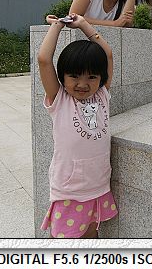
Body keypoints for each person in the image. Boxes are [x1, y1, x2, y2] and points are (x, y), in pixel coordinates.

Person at [38, 13, 117, 238]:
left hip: (98, 184)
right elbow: (44, 59)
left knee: (92, 235)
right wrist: (57, 25)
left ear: (100, 79)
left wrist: (83, 24)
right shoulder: (59, 99)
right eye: (74, 76)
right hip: (70, 190)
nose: (83, 84)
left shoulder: (101, 95)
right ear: (62, 77)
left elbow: (108, 55)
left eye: (91, 77)